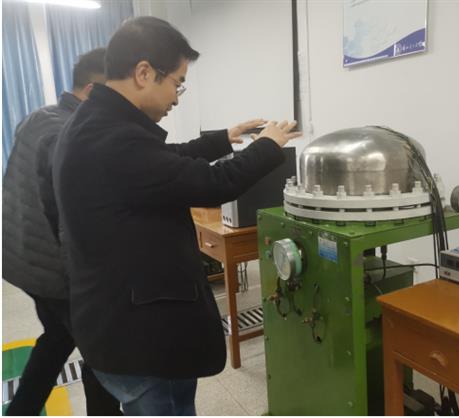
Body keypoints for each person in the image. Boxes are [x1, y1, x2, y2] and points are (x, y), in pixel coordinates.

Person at [52, 16, 301, 416]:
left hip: (121, 320)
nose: (178, 98)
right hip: (139, 339)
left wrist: (223, 138)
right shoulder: (112, 139)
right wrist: (269, 146)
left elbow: (166, 157)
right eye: (177, 83)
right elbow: (214, 183)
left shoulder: (97, 123)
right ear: (144, 73)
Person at [2, 48, 121, 415]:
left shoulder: (41, 117)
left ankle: (22, 409)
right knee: (102, 352)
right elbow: (69, 217)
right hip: (51, 269)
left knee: (57, 337)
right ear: (92, 90)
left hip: (23, 259)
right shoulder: (66, 132)